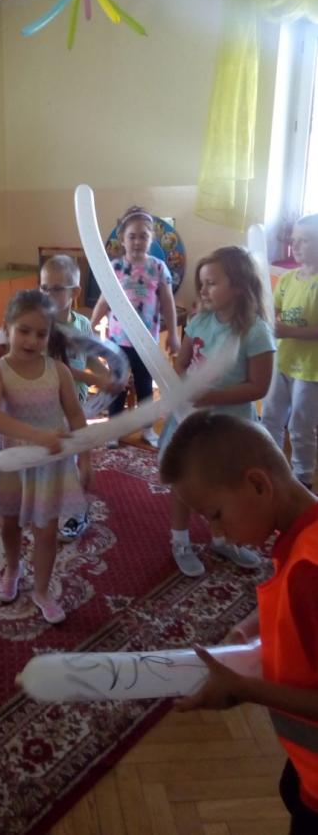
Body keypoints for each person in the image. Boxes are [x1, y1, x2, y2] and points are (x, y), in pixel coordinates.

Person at [159, 410, 318, 835]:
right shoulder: (302, 540)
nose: (218, 532)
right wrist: (251, 625)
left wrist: (245, 689)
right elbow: (294, 608)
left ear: (258, 484)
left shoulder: (311, 571)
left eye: (215, 514)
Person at [161, 246, 276, 577]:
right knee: (184, 480)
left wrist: (214, 395)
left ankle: (222, 538)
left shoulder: (255, 331)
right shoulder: (199, 322)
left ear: (238, 285)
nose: (203, 290)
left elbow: (259, 387)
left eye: (211, 283)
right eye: (202, 283)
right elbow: (182, 363)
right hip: (191, 421)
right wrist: (180, 389)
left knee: (225, 484)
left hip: (230, 426)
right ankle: (180, 541)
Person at [0, 289, 91, 624]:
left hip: (51, 464)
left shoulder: (59, 372)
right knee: (9, 522)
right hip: (16, 460)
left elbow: (76, 416)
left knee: (46, 529)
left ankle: (42, 590)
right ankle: (13, 568)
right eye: (24, 331)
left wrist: (86, 458)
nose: (32, 340)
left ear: (50, 336)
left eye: (41, 334)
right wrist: (38, 436)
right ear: (7, 329)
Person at [90, 206, 180, 448]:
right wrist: (91, 326)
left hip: (146, 341)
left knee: (144, 385)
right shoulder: (115, 268)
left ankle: (147, 429)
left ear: (151, 239)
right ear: (122, 239)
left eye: (143, 236)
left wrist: (173, 334)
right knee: (116, 386)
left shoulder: (158, 268)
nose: (137, 241)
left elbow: (167, 302)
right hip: (118, 340)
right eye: (132, 236)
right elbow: (104, 301)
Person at [40, 254, 114, 542]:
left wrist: (107, 376)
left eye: (57, 289)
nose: (48, 294)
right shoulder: (42, 328)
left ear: (75, 292)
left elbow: (90, 357)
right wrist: (95, 379)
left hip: (74, 406)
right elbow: (57, 369)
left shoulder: (82, 324)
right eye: (44, 288)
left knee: (68, 458)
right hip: (47, 404)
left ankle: (77, 512)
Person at [262, 213, 318, 491]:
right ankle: (271, 468)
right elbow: (272, 311)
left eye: (303, 240)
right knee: (270, 417)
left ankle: (302, 478)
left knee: (301, 425)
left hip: (310, 369)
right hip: (282, 360)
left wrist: (289, 331)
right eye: (293, 240)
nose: (294, 246)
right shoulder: (287, 279)